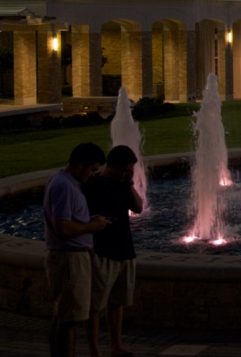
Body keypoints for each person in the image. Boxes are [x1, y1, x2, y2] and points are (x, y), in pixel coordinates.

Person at [43, 142, 111, 357]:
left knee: (63, 317)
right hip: (69, 260)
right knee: (70, 321)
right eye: (92, 169)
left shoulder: (65, 182)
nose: (93, 175)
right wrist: (92, 227)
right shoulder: (64, 186)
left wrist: (87, 222)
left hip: (71, 257)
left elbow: (67, 221)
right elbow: (61, 227)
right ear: (80, 165)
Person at [82, 145, 143, 357]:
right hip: (102, 252)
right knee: (95, 306)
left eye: (132, 169)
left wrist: (129, 182)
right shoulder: (93, 186)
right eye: (127, 169)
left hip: (125, 250)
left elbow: (138, 207)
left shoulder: (123, 184)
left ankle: (117, 346)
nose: (130, 173)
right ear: (114, 167)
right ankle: (95, 351)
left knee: (118, 303)